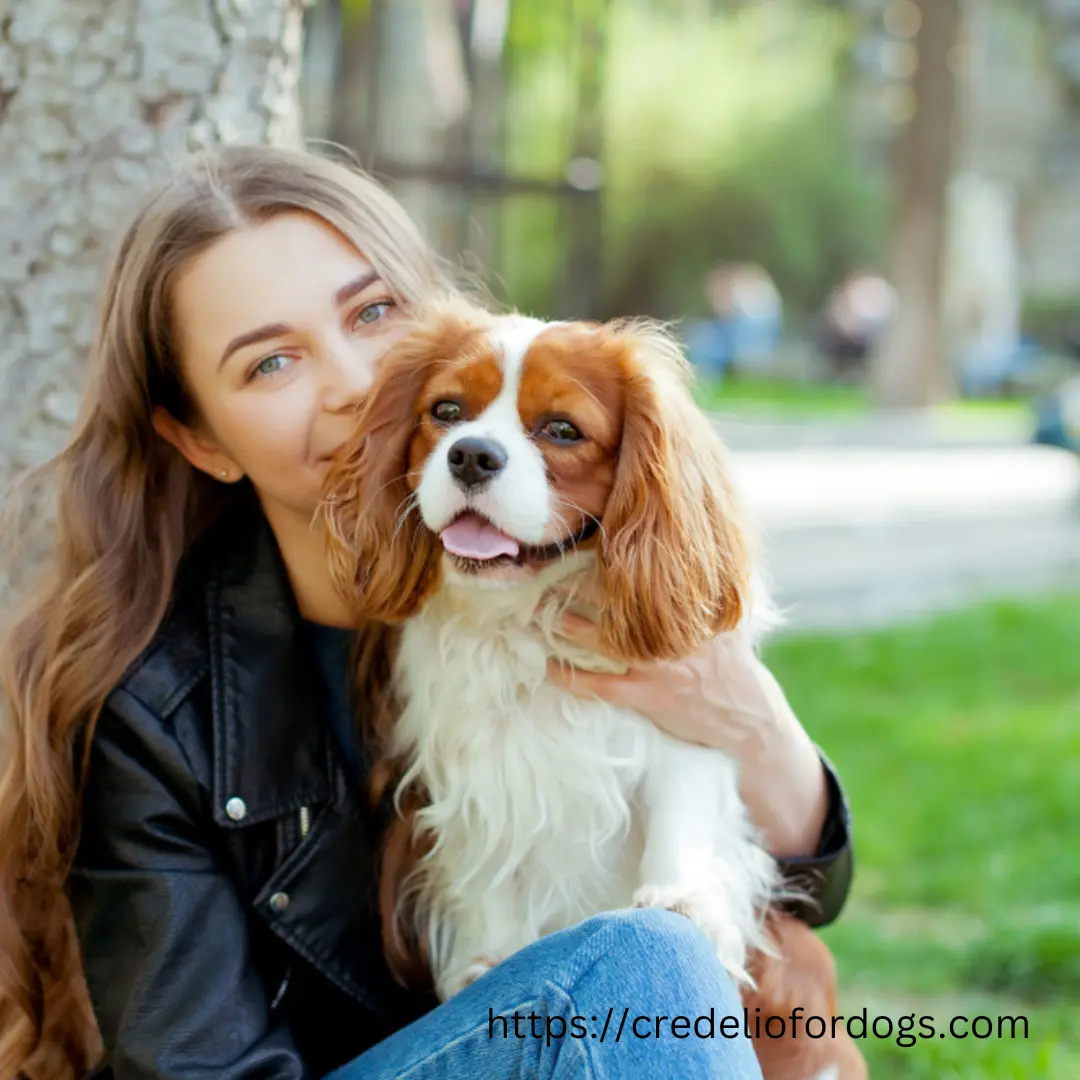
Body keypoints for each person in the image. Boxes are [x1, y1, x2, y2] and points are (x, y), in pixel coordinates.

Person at [0, 145, 854, 1080]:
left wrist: (756, 722)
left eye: (372, 314)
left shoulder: (566, 586)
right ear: (202, 439)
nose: (355, 384)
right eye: (271, 362)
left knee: (789, 1004)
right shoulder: (150, 710)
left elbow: (809, 884)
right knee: (648, 966)